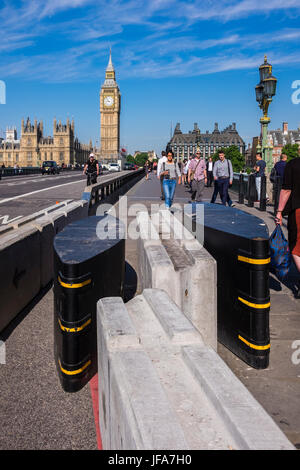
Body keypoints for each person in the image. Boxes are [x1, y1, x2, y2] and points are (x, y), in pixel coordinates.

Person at [275, 156, 300, 299]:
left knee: (296, 247)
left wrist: (279, 212)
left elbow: (286, 190)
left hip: (298, 209)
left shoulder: (294, 164)